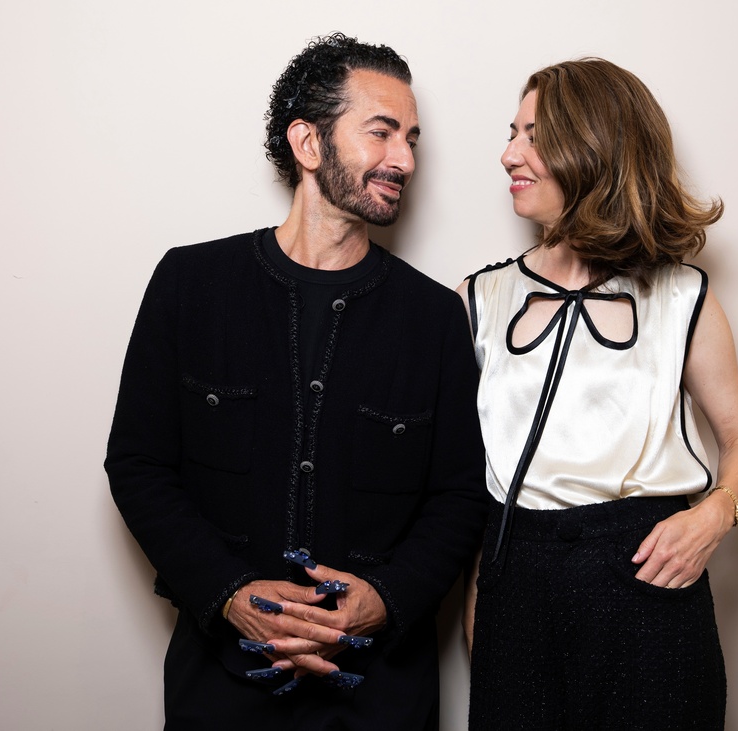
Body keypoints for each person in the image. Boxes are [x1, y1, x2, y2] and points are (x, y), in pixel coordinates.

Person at [105, 33, 487, 730]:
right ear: (308, 144)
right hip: (219, 691)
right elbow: (137, 465)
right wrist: (230, 593)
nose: (404, 159)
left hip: (382, 699)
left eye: (412, 138)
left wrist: (382, 599)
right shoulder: (189, 286)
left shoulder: (436, 317)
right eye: (381, 132)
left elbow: (461, 494)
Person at [460, 58, 738, 730]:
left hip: (645, 578)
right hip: (516, 576)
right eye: (512, 132)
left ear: (595, 146)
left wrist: (713, 516)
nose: (509, 152)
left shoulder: (682, 295)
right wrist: (483, 606)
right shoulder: (478, 299)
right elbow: (464, 485)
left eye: (534, 136)